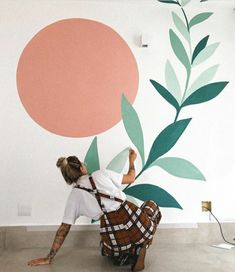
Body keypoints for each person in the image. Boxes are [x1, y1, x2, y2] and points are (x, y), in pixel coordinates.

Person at [28, 149, 161, 271]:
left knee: (105, 248)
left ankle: (126, 253)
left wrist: (49, 257)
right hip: (137, 223)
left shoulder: (74, 196)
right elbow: (131, 177)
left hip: (113, 235)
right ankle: (139, 248)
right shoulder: (101, 174)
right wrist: (132, 160)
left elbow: (63, 230)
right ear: (81, 167)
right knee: (151, 205)